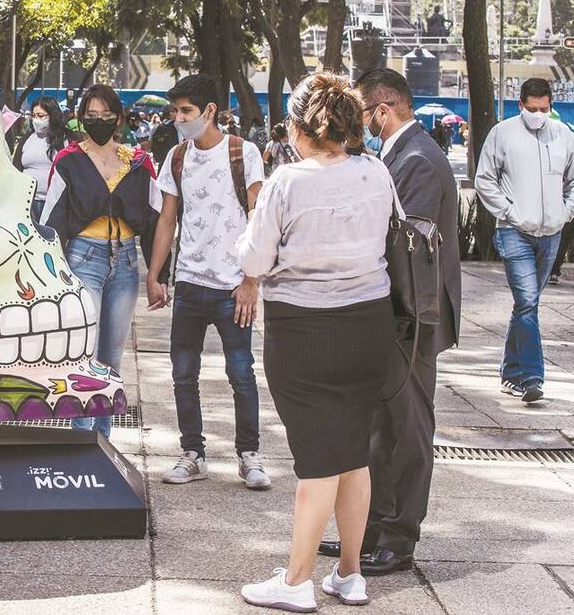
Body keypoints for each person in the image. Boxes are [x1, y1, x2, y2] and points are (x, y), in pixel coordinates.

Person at [236, 73, 395, 611]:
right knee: (354, 455)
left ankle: (297, 580)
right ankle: (350, 574)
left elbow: (255, 260)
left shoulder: (287, 182)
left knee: (317, 461)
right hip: (369, 324)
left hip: (304, 330)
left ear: (300, 128)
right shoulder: (375, 171)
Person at [316, 67, 462, 577]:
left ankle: (399, 536)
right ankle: (372, 528)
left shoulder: (418, 158)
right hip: (395, 314)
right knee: (379, 429)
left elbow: (404, 245)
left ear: (383, 109)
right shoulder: (401, 153)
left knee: (409, 429)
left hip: (412, 317)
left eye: (365, 113)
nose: (362, 123)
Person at [146, 74, 270, 490]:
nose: (179, 118)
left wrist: (251, 280)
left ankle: (249, 455)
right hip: (190, 284)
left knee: (241, 372)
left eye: (187, 111)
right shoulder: (177, 157)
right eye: (175, 111)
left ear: (210, 111)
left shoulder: (243, 153)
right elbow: (167, 219)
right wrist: (155, 274)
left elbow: (258, 218)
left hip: (233, 285)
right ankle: (192, 453)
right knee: (184, 372)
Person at [41, 84, 165, 438]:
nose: (98, 122)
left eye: (106, 116)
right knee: (82, 355)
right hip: (83, 259)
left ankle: (104, 440)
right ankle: (80, 439)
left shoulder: (138, 163)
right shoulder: (68, 162)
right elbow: (50, 222)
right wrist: (51, 276)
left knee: (111, 358)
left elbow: (157, 219)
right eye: (90, 116)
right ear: (81, 119)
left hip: (125, 262)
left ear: (119, 119)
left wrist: (158, 274)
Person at [474, 78, 574, 403]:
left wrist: (566, 211)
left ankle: (510, 371)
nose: (537, 114)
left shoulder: (564, 136)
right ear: (520, 105)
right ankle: (532, 378)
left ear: (551, 106)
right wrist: (508, 212)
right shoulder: (502, 133)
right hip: (513, 230)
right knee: (529, 303)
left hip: (551, 233)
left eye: (543, 109)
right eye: (531, 109)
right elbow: (485, 178)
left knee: (525, 305)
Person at [12, 97, 75, 222]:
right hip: (27, 202)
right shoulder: (28, 138)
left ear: (52, 115)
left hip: (55, 202)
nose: (36, 120)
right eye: (34, 115)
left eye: (41, 115)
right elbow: (17, 167)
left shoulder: (65, 138)